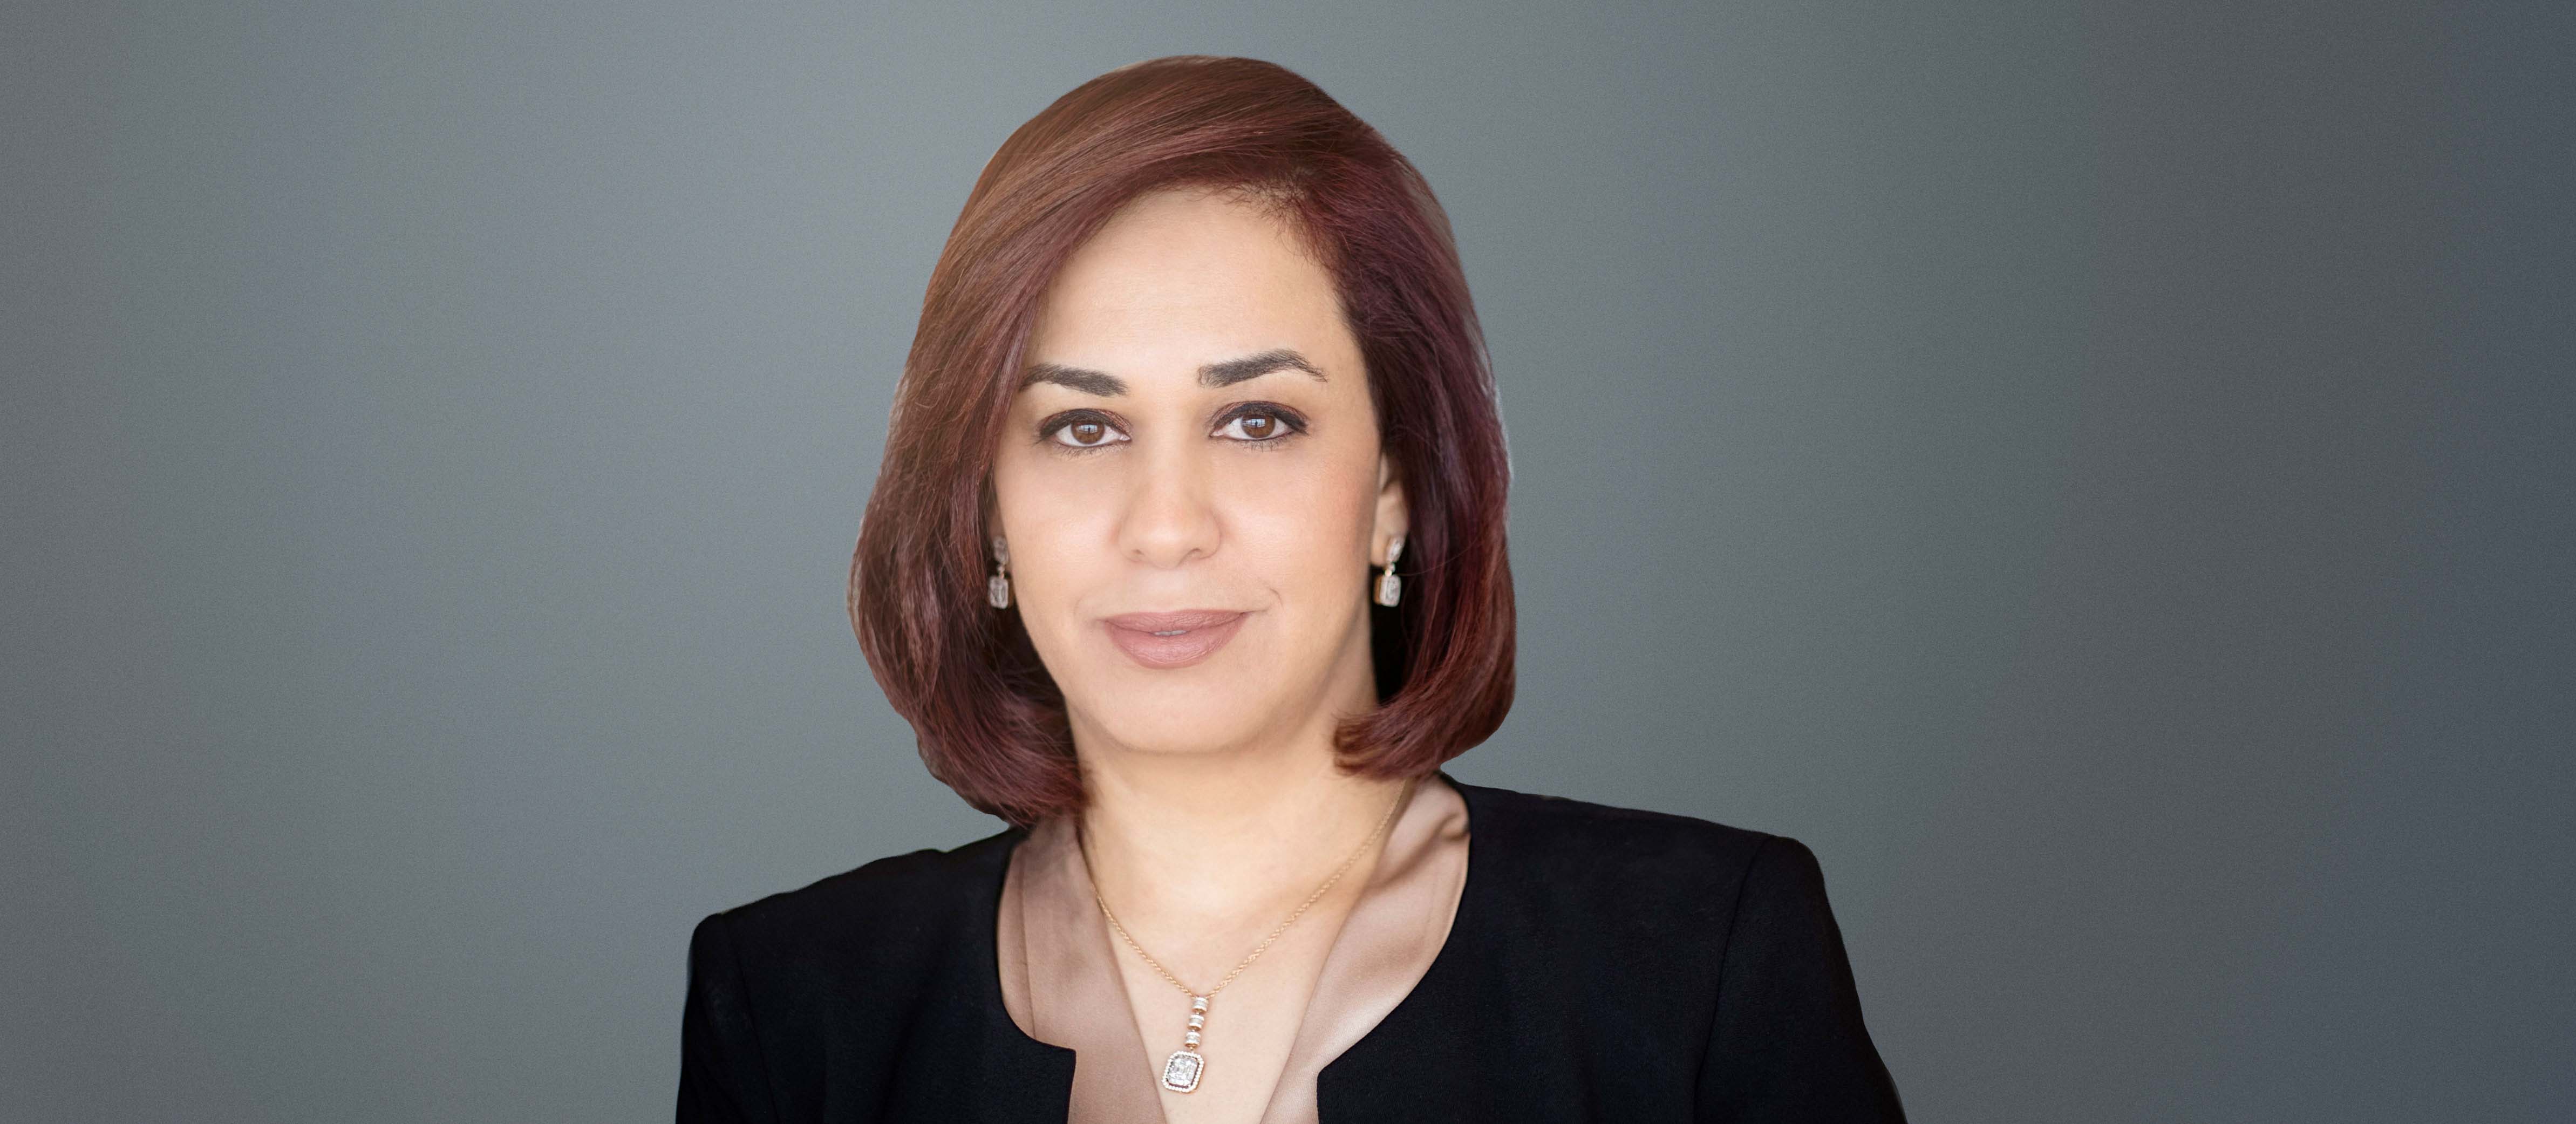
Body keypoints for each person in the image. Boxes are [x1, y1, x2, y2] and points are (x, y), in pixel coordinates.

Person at [677, 55, 1904, 1123]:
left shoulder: (1701, 962)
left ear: (1396, 488)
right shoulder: (794, 1003)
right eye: (1083, 428)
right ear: (986, 508)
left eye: (1257, 420)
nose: (1167, 527)